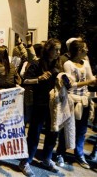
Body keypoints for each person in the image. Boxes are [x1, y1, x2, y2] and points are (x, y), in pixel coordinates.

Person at [18, 38, 63, 177]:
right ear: (48, 50)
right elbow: (24, 80)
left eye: (59, 50)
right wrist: (39, 79)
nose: (58, 52)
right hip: (39, 103)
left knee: (53, 132)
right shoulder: (37, 64)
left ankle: (46, 158)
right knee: (34, 133)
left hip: (54, 103)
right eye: (56, 49)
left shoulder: (58, 64)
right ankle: (26, 162)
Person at [55, 39, 97, 169]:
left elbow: (92, 80)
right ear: (79, 50)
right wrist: (89, 82)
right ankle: (60, 153)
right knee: (66, 128)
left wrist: (93, 81)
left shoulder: (86, 63)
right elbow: (71, 85)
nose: (87, 50)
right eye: (85, 48)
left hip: (84, 101)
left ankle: (79, 155)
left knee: (82, 130)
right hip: (71, 101)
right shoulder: (68, 64)